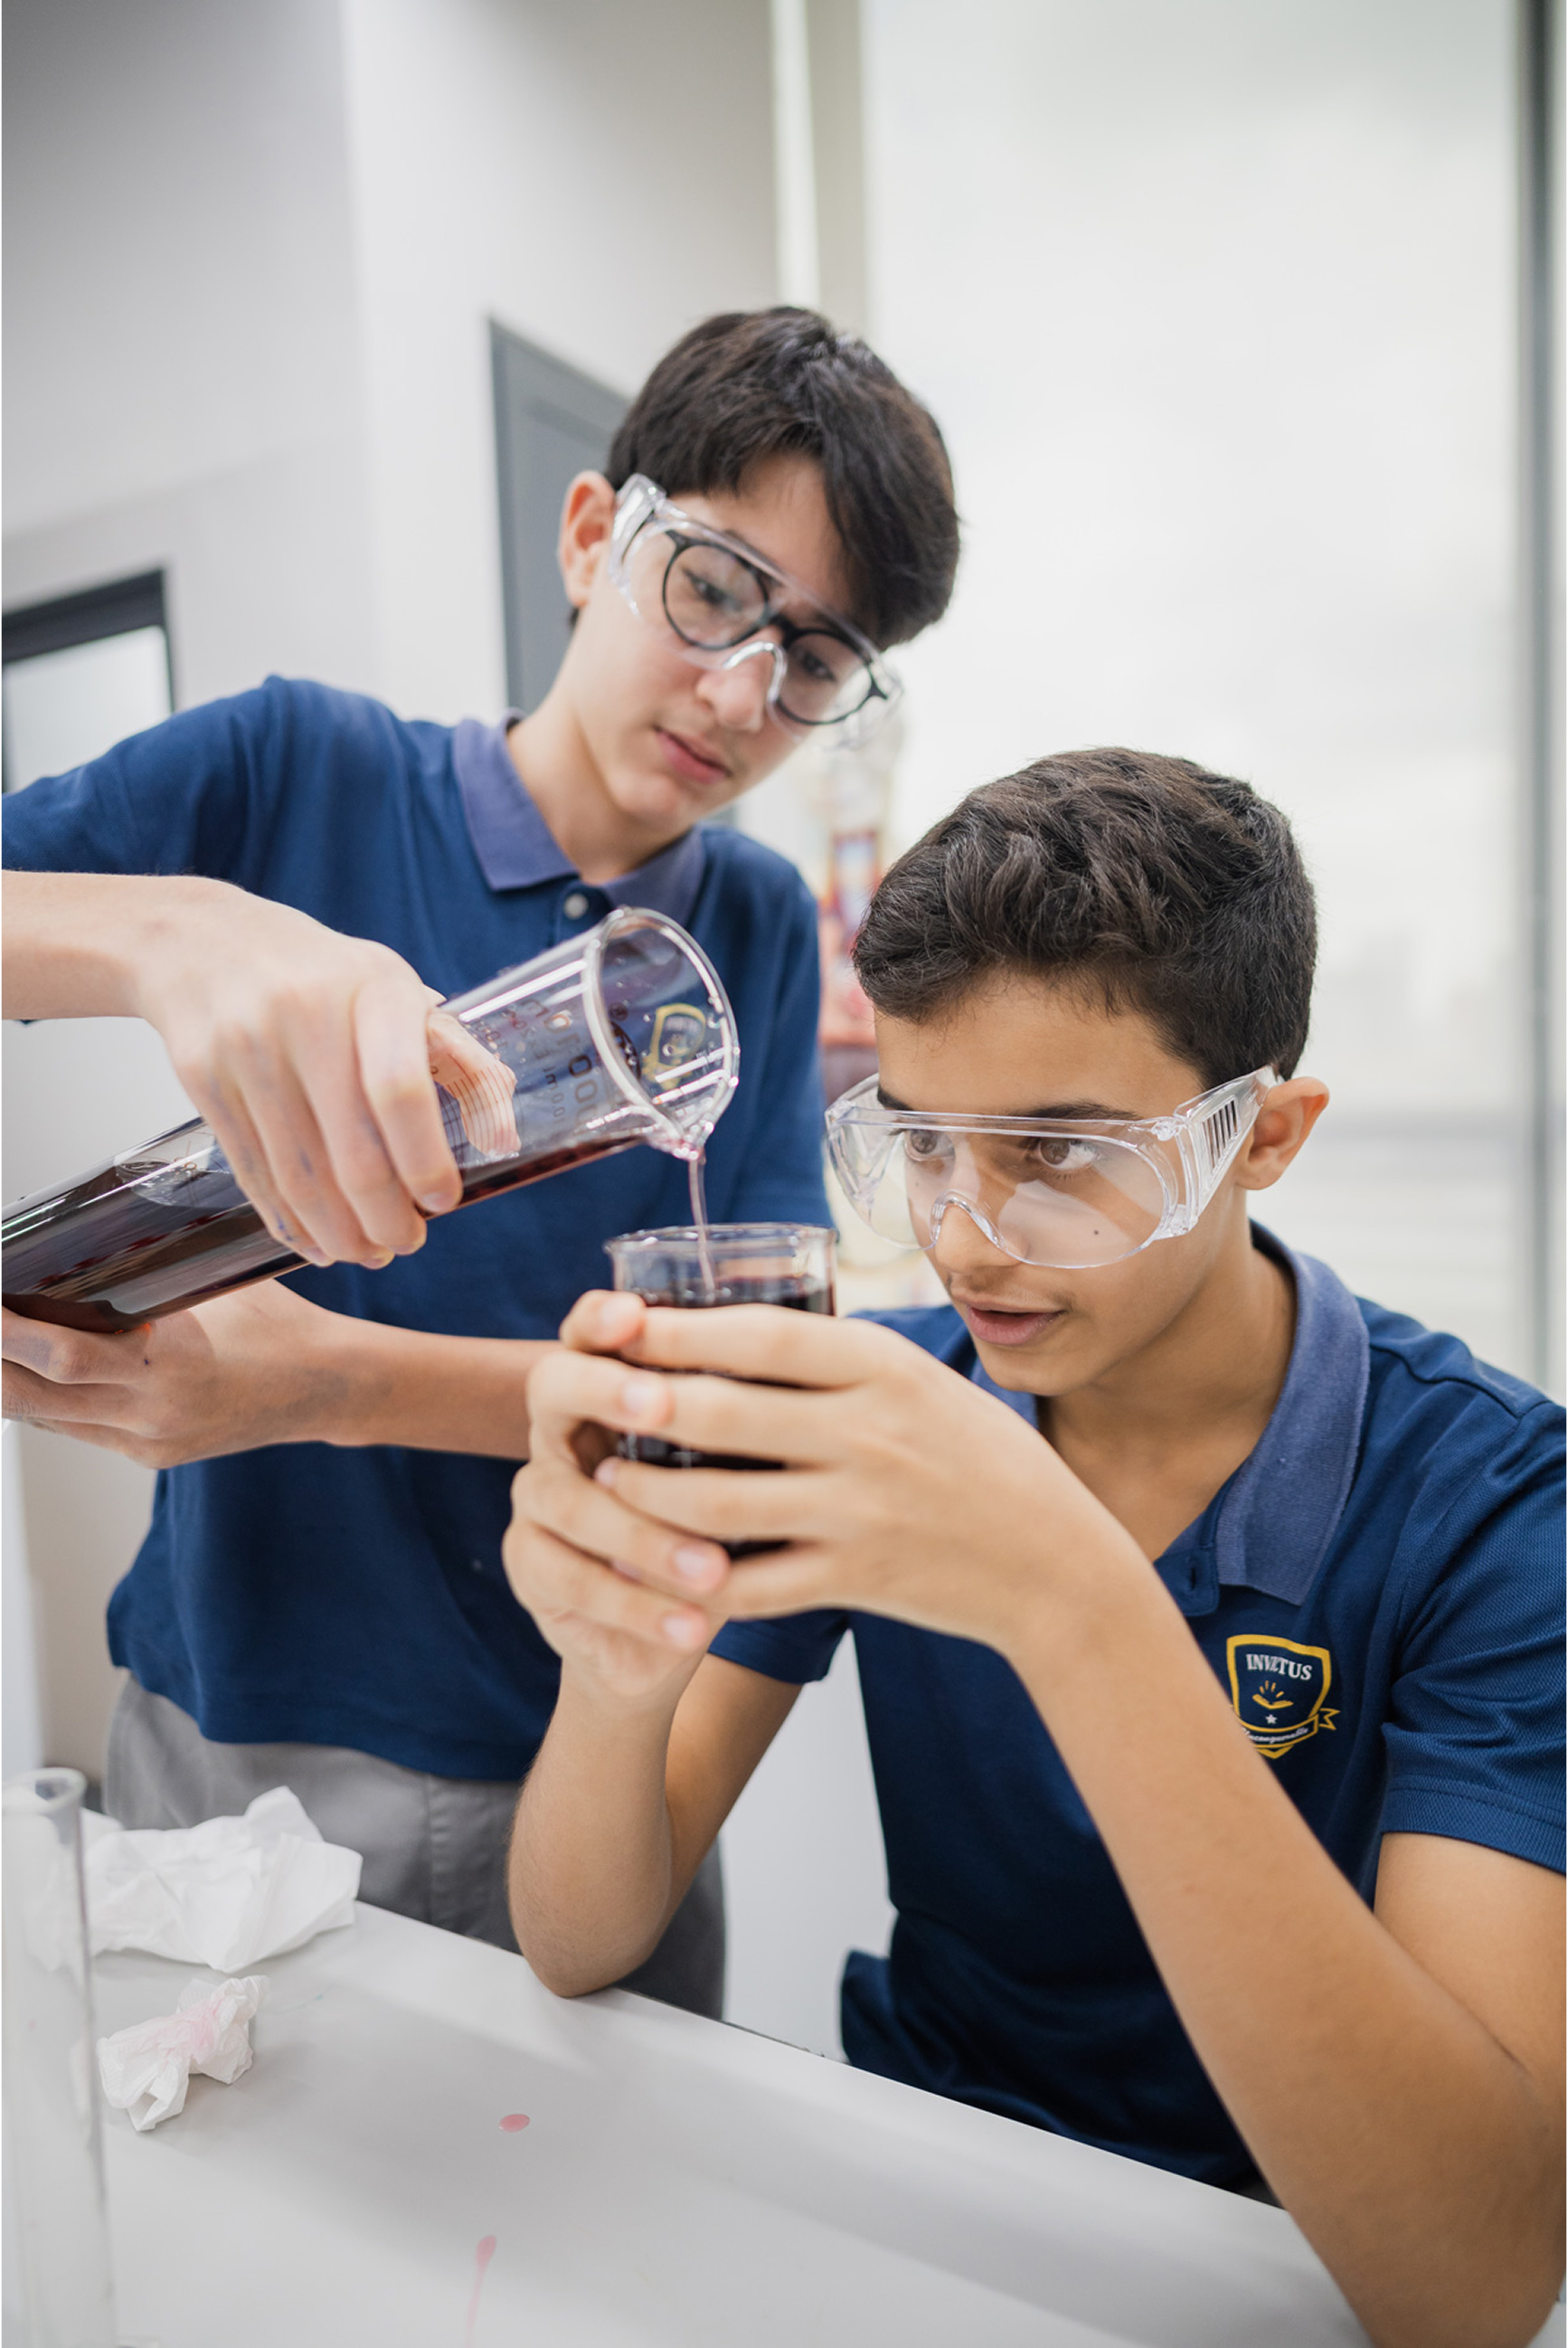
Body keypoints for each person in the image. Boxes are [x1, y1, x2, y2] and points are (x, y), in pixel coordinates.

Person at [503, 749, 1566, 2346]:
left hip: (1278, 2253)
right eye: (923, 1143)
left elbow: (1470, 2284)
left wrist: (1066, 1599)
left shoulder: (1491, 1505)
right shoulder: (890, 1403)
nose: (964, 1233)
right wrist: (611, 1673)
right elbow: (577, 1940)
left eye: (1058, 1154)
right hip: (926, 2182)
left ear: (1263, 1135)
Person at [0, 308, 960, 2013]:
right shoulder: (296, 770)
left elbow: (744, 1390)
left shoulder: (747, 925)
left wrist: (323, 1382)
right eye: (716, 590)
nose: (741, 695)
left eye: (815, 662)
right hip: (233, 1719)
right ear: (594, 535)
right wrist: (168, 932)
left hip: (586, 1742)